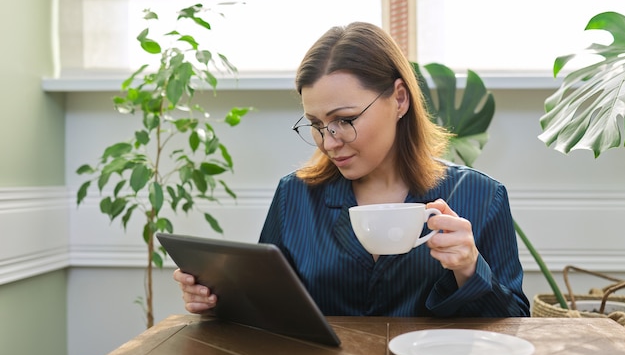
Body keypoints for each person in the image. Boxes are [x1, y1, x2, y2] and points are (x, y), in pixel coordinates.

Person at [173, 22, 530, 318]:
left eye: (345, 120)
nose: (329, 142)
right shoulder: (294, 196)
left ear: (400, 99)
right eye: (315, 123)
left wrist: (469, 270)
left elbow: (516, 325)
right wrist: (216, 303)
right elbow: (268, 309)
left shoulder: (481, 197)